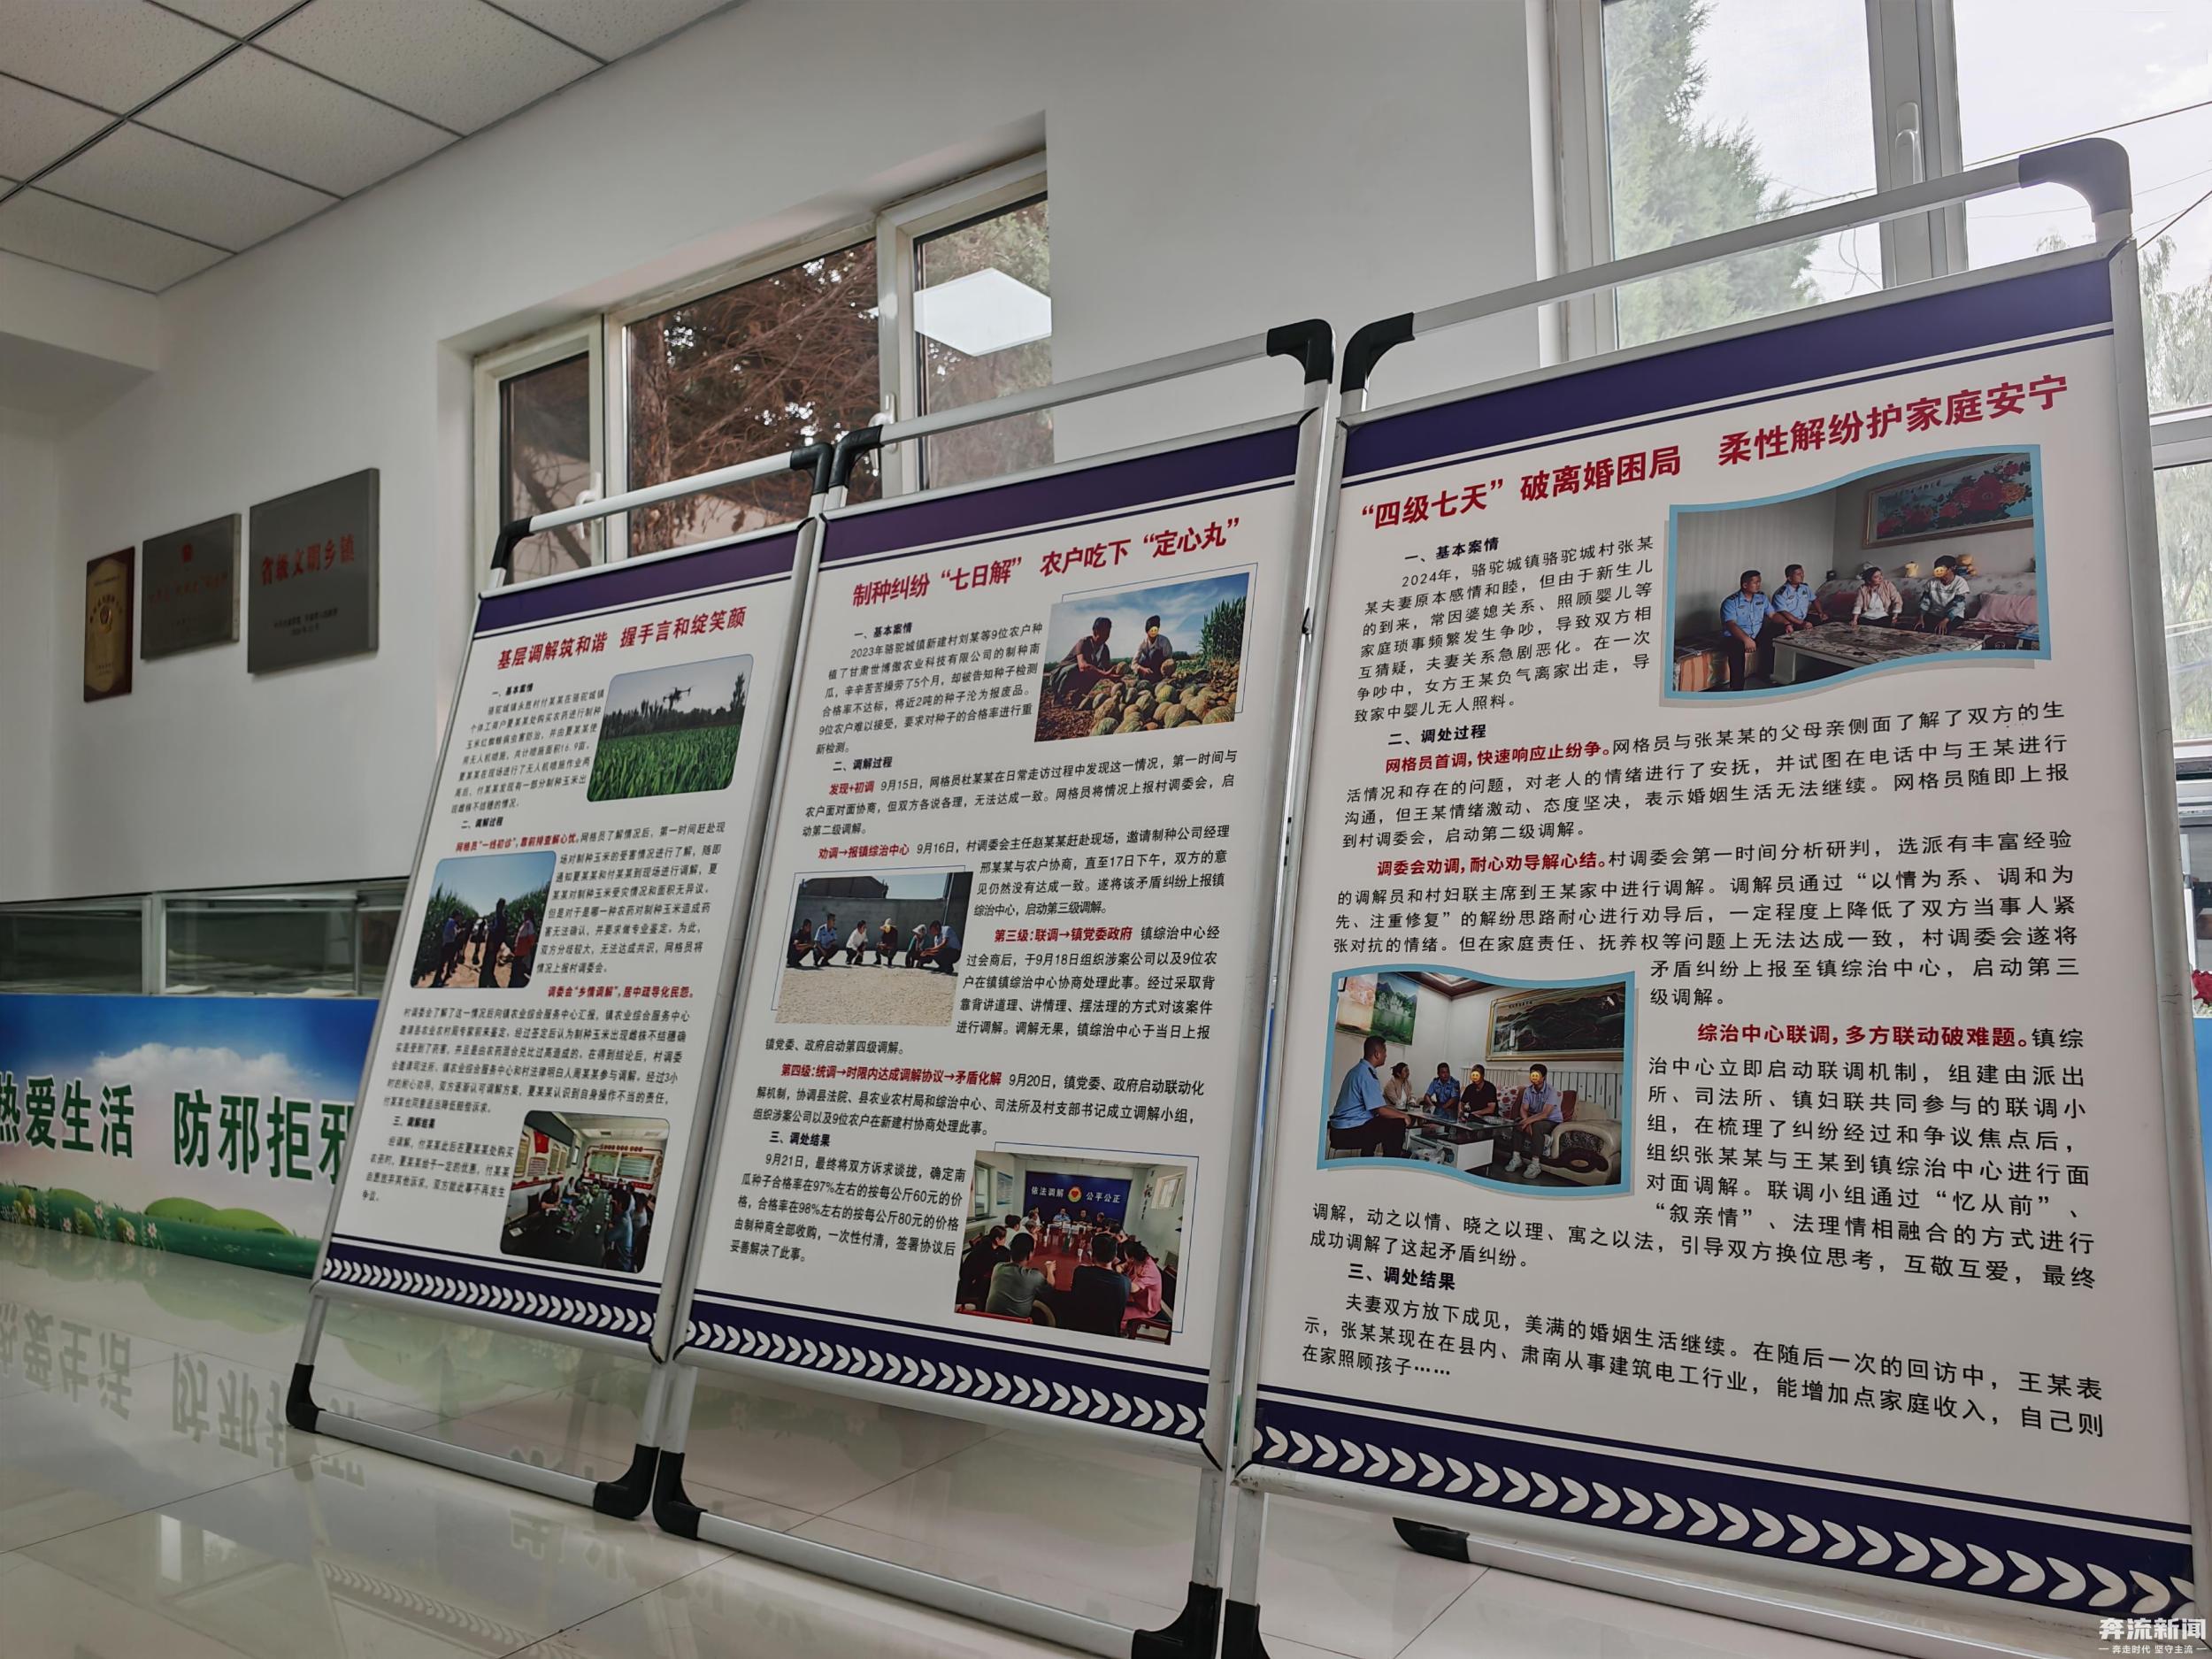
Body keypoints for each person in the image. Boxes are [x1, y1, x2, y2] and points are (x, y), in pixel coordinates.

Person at [1328, 1034, 1409, 1157]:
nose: (1386, 1055)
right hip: (1346, 1132)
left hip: (1338, 1129)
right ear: (1377, 1054)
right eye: (1385, 1051)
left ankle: (1368, 1156)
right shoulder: (1367, 1075)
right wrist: (1404, 1115)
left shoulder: (1358, 1070)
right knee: (1398, 1123)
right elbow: (1380, 1110)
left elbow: (1377, 1108)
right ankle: (1390, 1162)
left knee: (1377, 1121)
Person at [1055, 1233, 1130, 1336]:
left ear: (1093, 1254)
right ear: (1114, 1256)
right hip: (1109, 1336)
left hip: (1078, 1332)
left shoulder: (1081, 1272)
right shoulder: (1125, 1282)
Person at [1502, 1064, 1563, 1179]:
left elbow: (1545, 1114)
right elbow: (1523, 1109)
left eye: (1537, 1075)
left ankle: (1535, 1164)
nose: (1533, 1077)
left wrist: (1528, 1122)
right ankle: (1516, 1158)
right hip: (1533, 1118)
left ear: (1543, 1077)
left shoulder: (1551, 1091)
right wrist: (1526, 1121)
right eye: (1532, 1074)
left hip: (1551, 1120)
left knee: (1537, 1126)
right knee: (1518, 1122)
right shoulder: (1528, 1090)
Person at [1718, 568, 1774, 692]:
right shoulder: (1730, 602)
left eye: (1759, 582)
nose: (1759, 585)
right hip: (1734, 636)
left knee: (1774, 636)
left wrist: (1787, 623)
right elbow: (1731, 625)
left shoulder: (1761, 598)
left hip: (1755, 633)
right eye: (1755, 582)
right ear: (1745, 585)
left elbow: (1773, 615)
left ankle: (1767, 673)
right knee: (1736, 648)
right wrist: (1746, 639)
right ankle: (1737, 688)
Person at [1052, 616, 1118, 706]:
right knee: (1078, 668)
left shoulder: (1105, 649)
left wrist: (1118, 680)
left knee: (1097, 671)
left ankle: (1077, 696)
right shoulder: (1084, 642)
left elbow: (1107, 670)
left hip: (1078, 674)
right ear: (1095, 632)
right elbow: (1083, 667)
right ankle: (1058, 697)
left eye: (1108, 633)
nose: (1106, 636)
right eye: (1104, 633)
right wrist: (1104, 673)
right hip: (1060, 675)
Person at [985, 1231, 1048, 1318]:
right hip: (1018, 1323)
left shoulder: (998, 1267)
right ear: (1030, 1254)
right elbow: (1049, 1288)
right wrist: (1050, 1270)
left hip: (989, 1319)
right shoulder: (1034, 1276)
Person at [1119, 1239, 1164, 1336]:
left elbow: (1133, 1288)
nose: (1124, 1256)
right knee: (1113, 1302)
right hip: (1136, 1299)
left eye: (1125, 1255)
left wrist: (1118, 1278)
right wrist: (1120, 1269)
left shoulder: (1149, 1270)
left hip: (1146, 1307)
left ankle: (1122, 1331)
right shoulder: (1139, 1260)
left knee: (1116, 1312)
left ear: (1131, 1258)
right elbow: (1123, 1266)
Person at [958, 1225, 1010, 1305]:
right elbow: (989, 1263)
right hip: (971, 1280)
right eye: (1004, 1238)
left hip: (975, 1276)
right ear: (997, 1239)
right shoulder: (984, 1249)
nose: (1005, 1240)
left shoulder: (990, 1243)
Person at [1918, 557, 1970, 634]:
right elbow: (1925, 601)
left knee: (1943, 630)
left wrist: (1945, 620)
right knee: (1920, 628)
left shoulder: (1960, 582)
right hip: (1934, 614)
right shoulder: (1931, 582)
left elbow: (1958, 605)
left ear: (1952, 568)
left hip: (1953, 616)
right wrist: (1921, 617)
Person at [1771, 563, 1826, 632]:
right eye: (1798, 574)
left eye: (1802, 573)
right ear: (1789, 578)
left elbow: (1814, 599)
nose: (1802, 576)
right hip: (1789, 622)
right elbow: (1784, 613)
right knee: (1806, 628)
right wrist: (1801, 623)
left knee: (1826, 621)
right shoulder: (1781, 594)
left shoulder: (1804, 588)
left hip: (1803, 618)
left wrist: (1821, 613)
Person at [1851, 563, 1902, 630]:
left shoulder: (1888, 585)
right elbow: (1858, 604)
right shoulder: (1863, 588)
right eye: (1876, 577)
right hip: (1867, 616)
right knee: (1861, 622)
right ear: (1869, 580)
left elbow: (1897, 600)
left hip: (1883, 616)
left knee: (1886, 622)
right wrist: (1855, 620)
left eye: (1881, 575)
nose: (1881, 578)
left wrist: (1895, 616)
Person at [1132, 615, 1174, 686]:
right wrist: (1142, 669)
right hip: (1147, 669)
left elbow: (1169, 660)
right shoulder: (1142, 643)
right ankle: (1146, 680)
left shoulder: (1164, 641)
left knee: (1154, 653)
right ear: (1147, 631)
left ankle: (1157, 679)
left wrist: (1165, 671)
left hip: (1159, 670)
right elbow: (1133, 664)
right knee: (1142, 659)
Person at [478, 897, 509, 988]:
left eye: (499, 905)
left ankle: (484, 983)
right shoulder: (498, 917)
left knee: (488, 964)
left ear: (501, 906)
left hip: (493, 945)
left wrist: (493, 943)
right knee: (489, 963)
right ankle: (487, 981)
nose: (497, 907)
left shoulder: (501, 918)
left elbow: (499, 933)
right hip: (492, 945)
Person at [510, 912, 537, 987]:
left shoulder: (528, 924)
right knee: (517, 969)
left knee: (519, 970)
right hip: (520, 951)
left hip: (523, 952)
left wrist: (529, 945)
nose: (523, 916)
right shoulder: (525, 924)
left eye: (524, 915)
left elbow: (531, 937)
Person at [435, 911, 460, 985]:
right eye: (459, 916)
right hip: (449, 944)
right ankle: (438, 978)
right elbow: (453, 934)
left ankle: (446, 974)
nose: (459, 918)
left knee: (447, 960)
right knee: (444, 961)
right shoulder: (452, 923)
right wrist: (458, 931)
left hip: (447, 944)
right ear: (456, 916)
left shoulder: (450, 922)